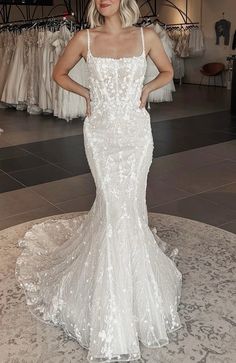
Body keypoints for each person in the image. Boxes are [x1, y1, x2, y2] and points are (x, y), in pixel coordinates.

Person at [15, 1, 183, 362]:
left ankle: (136, 292)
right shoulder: (84, 38)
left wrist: (146, 89)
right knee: (113, 204)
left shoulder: (147, 35)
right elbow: (59, 74)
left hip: (137, 133)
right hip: (102, 133)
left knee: (131, 205)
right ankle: (111, 302)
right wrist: (88, 93)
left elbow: (167, 71)